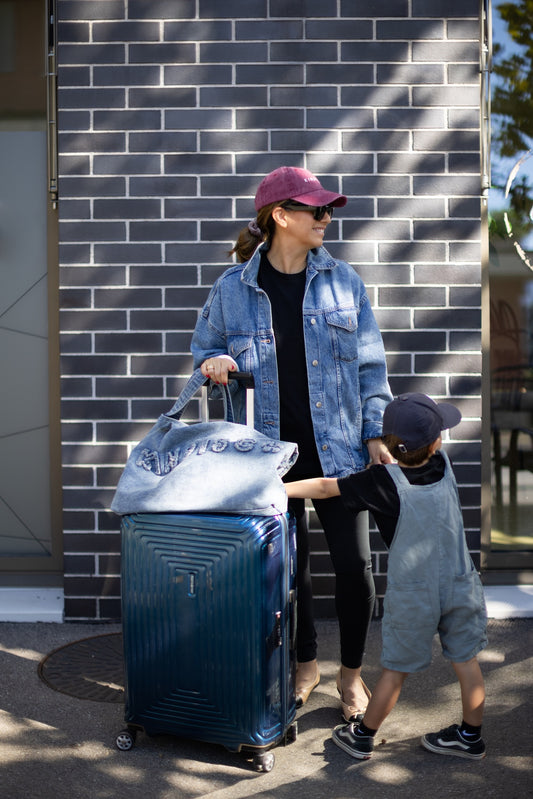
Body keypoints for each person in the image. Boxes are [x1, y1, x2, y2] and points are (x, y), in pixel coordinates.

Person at [191, 165, 393, 719]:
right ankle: (306, 664)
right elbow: (204, 347)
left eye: (327, 210)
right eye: (318, 211)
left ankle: (350, 676)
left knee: (354, 567)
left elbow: (372, 368)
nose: (327, 219)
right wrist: (216, 361)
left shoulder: (343, 282)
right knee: (292, 569)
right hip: (268, 456)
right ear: (281, 216)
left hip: (341, 452)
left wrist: (375, 432)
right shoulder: (233, 289)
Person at [285, 392, 488, 760]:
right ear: (436, 442)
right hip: (461, 584)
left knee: (395, 671)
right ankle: (470, 736)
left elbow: (326, 488)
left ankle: (363, 735)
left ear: (390, 442)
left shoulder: (380, 482)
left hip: (415, 595)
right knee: (467, 662)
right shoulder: (443, 464)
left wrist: (280, 488)